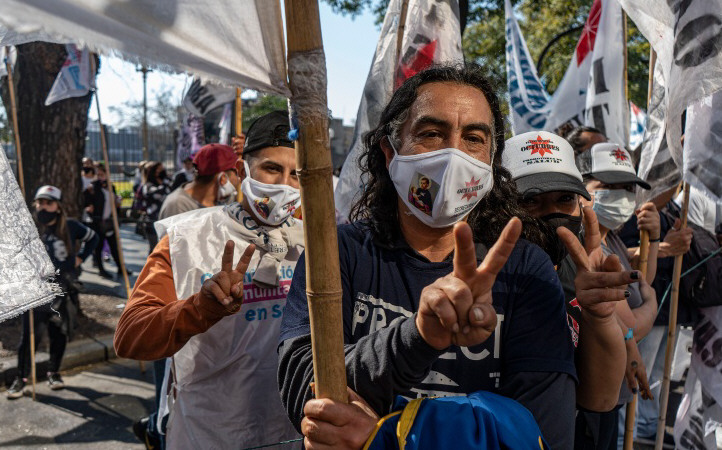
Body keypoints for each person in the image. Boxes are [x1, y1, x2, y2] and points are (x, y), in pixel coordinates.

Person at [278, 64, 576, 449]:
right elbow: (304, 387)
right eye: (432, 133)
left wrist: (384, 436)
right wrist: (418, 337)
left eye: (473, 138)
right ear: (390, 151)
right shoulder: (338, 253)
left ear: (491, 161)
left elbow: (540, 432)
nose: (453, 153)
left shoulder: (525, 270)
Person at [114, 110, 303, 449]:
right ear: (241, 171)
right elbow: (131, 337)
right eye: (272, 168)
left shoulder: (318, 242)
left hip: (294, 432)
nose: (284, 185)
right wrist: (199, 309)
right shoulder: (187, 237)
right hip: (209, 433)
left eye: (296, 175)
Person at [578, 143, 662, 447]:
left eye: (627, 187)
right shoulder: (584, 245)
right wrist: (651, 309)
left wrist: (652, 238)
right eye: (608, 186)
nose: (620, 195)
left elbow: (640, 283)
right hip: (593, 391)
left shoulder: (610, 237)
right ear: (581, 185)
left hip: (613, 390)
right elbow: (631, 322)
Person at [7, 186, 98, 399]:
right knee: (30, 337)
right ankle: (21, 378)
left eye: (48, 203)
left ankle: (54, 372)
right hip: (37, 292)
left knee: (59, 334)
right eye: (39, 202)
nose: (43, 207)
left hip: (62, 289)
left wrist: (80, 258)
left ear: (58, 207)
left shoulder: (72, 227)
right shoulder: (28, 228)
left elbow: (93, 238)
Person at [158, 143, 240, 220]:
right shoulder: (177, 206)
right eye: (236, 173)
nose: (239, 179)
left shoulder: (224, 199)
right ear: (223, 178)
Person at [83, 163, 125, 279]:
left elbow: (114, 203)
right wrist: (89, 207)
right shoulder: (92, 188)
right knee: (99, 246)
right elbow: (85, 201)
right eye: (98, 174)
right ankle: (101, 269)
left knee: (114, 246)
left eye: (102, 174)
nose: (100, 176)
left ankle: (121, 268)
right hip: (97, 222)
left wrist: (117, 203)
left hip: (110, 221)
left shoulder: (111, 186)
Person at [138, 161, 171, 253]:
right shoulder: (148, 186)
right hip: (152, 221)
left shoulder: (166, 182)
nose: (161, 172)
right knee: (155, 250)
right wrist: (165, 182)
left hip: (165, 220)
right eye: (158, 170)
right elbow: (158, 194)